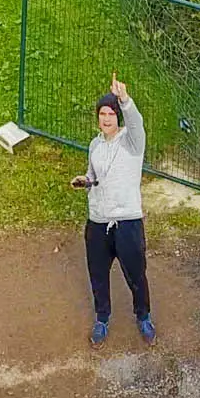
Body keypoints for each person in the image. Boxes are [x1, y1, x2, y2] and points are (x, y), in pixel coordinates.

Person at [74, 76, 153, 346]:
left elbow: (136, 123)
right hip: (98, 221)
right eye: (102, 114)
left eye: (111, 114)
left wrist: (125, 100)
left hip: (127, 221)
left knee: (136, 273)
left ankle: (143, 317)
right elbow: (93, 175)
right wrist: (85, 181)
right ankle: (102, 318)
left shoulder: (132, 142)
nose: (106, 119)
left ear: (118, 117)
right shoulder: (95, 145)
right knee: (97, 272)